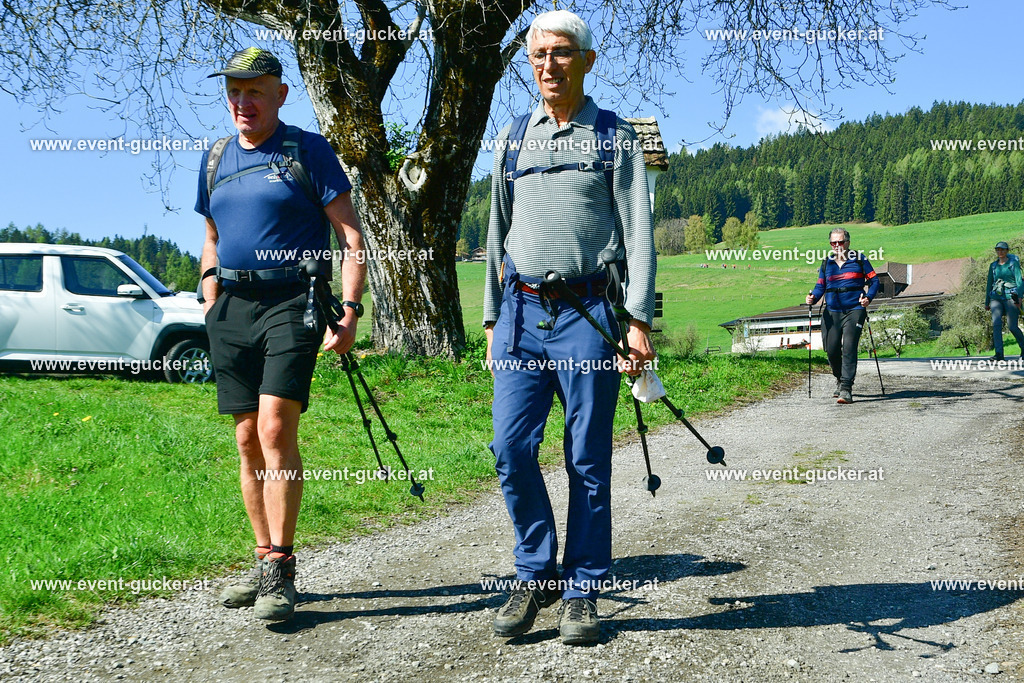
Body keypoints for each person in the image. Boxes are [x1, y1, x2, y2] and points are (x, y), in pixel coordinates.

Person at [483, 10, 656, 645]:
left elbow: (639, 231)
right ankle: (535, 572)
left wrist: (637, 321)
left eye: (561, 54)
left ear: (586, 60)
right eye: (538, 56)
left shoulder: (614, 135)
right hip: (523, 316)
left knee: (586, 456)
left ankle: (584, 586)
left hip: (590, 316)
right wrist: (493, 318)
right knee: (509, 449)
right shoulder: (510, 139)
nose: (548, 65)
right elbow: (496, 232)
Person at [196, 48, 366, 621]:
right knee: (246, 439)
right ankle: (263, 554)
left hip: (293, 301)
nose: (243, 102)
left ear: (280, 95)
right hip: (233, 307)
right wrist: (210, 292)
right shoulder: (216, 156)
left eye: (255, 92)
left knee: (274, 427)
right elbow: (213, 236)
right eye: (235, 92)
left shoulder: (306, 149)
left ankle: (281, 569)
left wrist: (348, 309)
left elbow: (351, 238)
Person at [805, 228, 879, 404]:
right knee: (831, 350)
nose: (837, 246)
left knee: (849, 346)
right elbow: (820, 286)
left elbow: (874, 281)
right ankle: (839, 378)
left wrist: (868, 297)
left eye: (840, 242)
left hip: (854, 309)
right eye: (833, 243)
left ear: (848, 242)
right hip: (832, 311)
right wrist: (813, 297)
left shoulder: (860, 259)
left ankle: (846, 388)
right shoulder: (827, 263)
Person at [984, 241, 1024, 361]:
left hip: (1011, 297)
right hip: (996, 297)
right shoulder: (993, 266)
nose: (1000, 252)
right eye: (998, 250)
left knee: (1012, 326)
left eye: (1002, 250)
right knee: (996, 324)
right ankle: (999, 354)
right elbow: (989, 283)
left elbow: (1019, 282)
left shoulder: (1013, 264)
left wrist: (1020, 298)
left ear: (1007, 251)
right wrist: (987, 302)